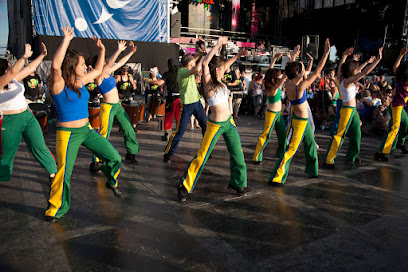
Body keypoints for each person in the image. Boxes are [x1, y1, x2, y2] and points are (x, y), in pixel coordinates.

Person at [45, 27, 123, 222]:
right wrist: (66, 39)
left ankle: (110, 180)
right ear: (73, 66)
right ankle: (55, 208)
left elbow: (98, 69)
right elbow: (55, 65)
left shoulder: (81, 80)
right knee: (63, 174)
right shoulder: (58, 83)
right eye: (81, 64)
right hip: (68, 134)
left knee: (114, 157)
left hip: (86, 131)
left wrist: (102, 49)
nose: (84, 67)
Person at [177, 36, 248, 202]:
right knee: (202, 156)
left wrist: (238, 55)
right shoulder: (208, 84)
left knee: (238, 154)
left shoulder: (221, 81)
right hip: (215, 125)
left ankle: (237, 183)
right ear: (216, 70)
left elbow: (226, 64)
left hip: (229, 123)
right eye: (222, 69)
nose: (225, 70)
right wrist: (218, 44)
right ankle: (184, 186)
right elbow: (204, 63)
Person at [269, 39, 331, 185]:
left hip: (299, 118)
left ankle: (313, 170)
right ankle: (277, 176)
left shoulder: (290, 84)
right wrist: (326, 53)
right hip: (300, 122)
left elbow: (295, 71)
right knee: (291, 149)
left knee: (310, 143)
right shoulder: (300, 86)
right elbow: (317, 71)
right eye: (299, 70)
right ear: (297, 73)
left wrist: (294, 58)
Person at [0, 43, 57, 183]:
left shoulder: (13, 80)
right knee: (7, 154)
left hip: (27, 116)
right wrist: (24, 57)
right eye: (7, 65)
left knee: (39, 146)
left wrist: (42, 55)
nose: (9, 67)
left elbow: (30, 68)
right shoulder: (1, 82)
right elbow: (13, 72)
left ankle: (53, 174)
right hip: (10, 120)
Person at [324, 47, 383, 168]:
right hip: (347, 111)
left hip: (353, 111)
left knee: (357, 133)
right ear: (352, 70)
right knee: (339, 135)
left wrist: (345, 56)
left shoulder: (344, 77)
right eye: (355, 68)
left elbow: (346, 68)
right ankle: (329, 160)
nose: (357, 69)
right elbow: (364, 73)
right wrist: (378, 60)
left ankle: (352, 156)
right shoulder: (346, 81)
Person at [90, 40, 140, 172]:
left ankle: (131, 153)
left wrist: (130, 52)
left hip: (117, 106)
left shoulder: (107, 72)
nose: (106, 63)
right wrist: (118, 50)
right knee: (103, 134)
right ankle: (95, 161)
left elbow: (120, 63)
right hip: (107, 107)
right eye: (103, 61)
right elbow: (111, 62)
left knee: (129, 128)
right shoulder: (98, 77)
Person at [163, 50, 207, 163]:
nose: (194, 60)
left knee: (206, 126)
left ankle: (206, 149)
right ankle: (168, 153)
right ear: (188, 63)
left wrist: (200, 54)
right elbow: (197, 68)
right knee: (180, 131)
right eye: (192, 60)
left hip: (196, 102)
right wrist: (204, 58)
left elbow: (193, 60)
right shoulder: (182, 71)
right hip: (187, 104)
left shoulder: (187, 68)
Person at [252, 52, 289, 164]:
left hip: (278, 114)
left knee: (282, 134)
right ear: (275, 78)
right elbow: (285, 75)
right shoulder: (273, 87)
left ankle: (281, 153)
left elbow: (269, 72)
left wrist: (274, 59)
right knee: (266, 135)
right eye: (278, 75)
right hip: (272, 114)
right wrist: (292, 58)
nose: (279, 76)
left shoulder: (271, 83)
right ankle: (257, 156)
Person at [375, 48, 408, 161]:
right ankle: (381, 151)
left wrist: (400, 56)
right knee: (395, 128)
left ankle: (400, 143)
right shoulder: (402, 80)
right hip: (397, 106)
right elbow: (396, 68)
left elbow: (396, 67)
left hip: (400, 106)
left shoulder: (401, 78)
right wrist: (400, 56)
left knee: (406, 124)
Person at [147, 59, 181, 141]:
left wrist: (148, 81)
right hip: (180, 97)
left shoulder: (167, 74)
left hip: (171, 98)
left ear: (169, 65)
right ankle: (178, 133)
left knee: (169, 116)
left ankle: (166, 133)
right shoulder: (180, 73)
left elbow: (159, 83)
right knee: (178, 116)